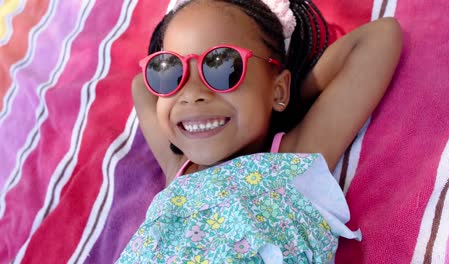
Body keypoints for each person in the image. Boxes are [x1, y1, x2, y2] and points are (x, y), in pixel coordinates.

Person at [117, 0, 402, 263]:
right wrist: (267, 93)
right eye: (167, 72)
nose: (191, 95)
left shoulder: (292, 158)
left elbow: (379, 37)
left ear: (280, 88)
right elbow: (139, 86)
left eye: (222, 66)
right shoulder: (179, 168)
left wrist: (279, 97)